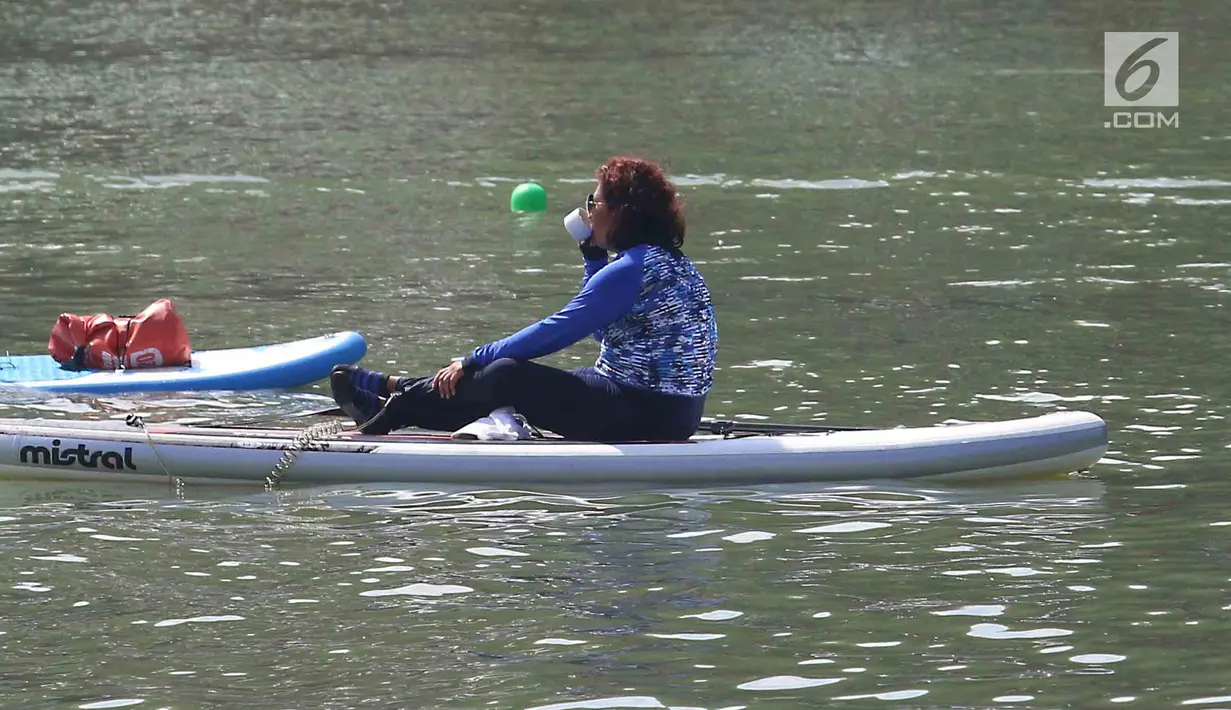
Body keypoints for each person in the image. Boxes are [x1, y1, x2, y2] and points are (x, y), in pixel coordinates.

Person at [330, 155, 719, 442]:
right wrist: (593, 258)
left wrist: (472, 358)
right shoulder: (667, 262)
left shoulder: (631, 269)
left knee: (506, 373)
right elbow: (604, 334)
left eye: (594, 203)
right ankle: (399, 391)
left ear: (620, 215)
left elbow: (557, 331)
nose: (587, 212)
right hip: (671, 410)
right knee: (521, 381)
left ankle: (396, 408)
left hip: (648, 414)